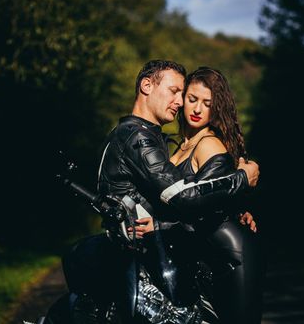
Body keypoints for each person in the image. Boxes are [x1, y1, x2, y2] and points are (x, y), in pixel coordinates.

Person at [62, 60, 260, 321]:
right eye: (184, 95)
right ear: (147, 86)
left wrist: (239, 190)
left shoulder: (205, 144)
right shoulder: (157, 142)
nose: (183, 103)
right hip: (174, 254)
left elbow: (200, 203)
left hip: (220, 251)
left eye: (207, 103)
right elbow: (185, 197)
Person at [136, 66, 265, 323]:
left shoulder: (209, 144)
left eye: (207, 103)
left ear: (216, 108)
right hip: (200, 253)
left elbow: (204, 207)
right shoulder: (180, 146)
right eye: (192, 99)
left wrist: (157, 225)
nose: (197, 109)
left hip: (227, 253)